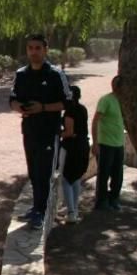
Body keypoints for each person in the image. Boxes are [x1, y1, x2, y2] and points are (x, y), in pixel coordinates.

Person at [8, 34, 72, 229]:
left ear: (45, 50)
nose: (34, 52)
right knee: (33, 173)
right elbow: (12, 99)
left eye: (37, 48)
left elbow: (68, 102)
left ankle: (40, 213)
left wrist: (42, 108)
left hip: (48, 133)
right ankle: (35, 208)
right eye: (30, 48)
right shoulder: (21, 74)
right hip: (29, 132)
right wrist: (18, 106)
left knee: (44, 173)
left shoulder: (55, 74)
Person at [91, 75, 126, 211]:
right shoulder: (106, 100)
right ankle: (101, 202)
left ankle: (114, 199)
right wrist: (95, 143)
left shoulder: (122, 102)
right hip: (105, 144)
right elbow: (95, 121)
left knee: (118, 175)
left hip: (119, 144)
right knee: (103, 174)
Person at [60, 86, 90, 223]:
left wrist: (57, 134)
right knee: (76, 178)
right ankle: (74, 209)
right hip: (83, 145)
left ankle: (71, 212)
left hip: (73, 148)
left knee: (67, 179)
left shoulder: (69, 111)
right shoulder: (83, 109)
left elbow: (69, 132)